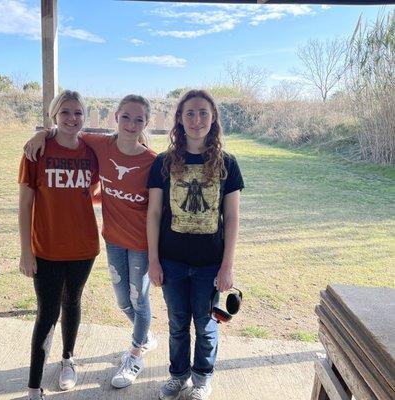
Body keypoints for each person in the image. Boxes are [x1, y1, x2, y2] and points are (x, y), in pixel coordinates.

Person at [24, 94, 158, 389]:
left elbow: (159, 209)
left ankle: (136, 351)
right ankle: (145, 333)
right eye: (125, 117)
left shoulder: (152, 161)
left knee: (139, 298)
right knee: (124, 300)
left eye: (138, 119)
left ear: (146, 123)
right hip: (112, 240)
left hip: (139, 244)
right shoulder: (100, 145)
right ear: (115, 118)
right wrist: (41, 133)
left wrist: (157, 253)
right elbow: (68, 130)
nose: (131, 124)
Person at [146, 89, 244, 400]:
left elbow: (231, 217)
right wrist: (153, 260)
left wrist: (227, 265)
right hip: (172, 262)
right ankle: (178, 376)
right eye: (189, 113)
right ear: (179, 119)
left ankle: (202, 378)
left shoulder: (227, 164)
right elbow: (154, 213)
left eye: (203, 112)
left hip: (209, 265)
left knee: (205, 325)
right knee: (177, 324)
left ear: (213, 118)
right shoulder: (163, 163)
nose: (196, 119)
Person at [18, 90, 100, 400]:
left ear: (84, 117)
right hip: (47, 248)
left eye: (78, 113)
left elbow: (126, 144)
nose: (72, 118)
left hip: (83, 247)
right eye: (65, 112)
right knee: (47, 313)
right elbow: (25, 204)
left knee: (73, 303)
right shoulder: (36, 151)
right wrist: (26, 251)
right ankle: (33, 386)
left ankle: (68, 359)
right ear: (54, 115)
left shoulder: (91, 150)